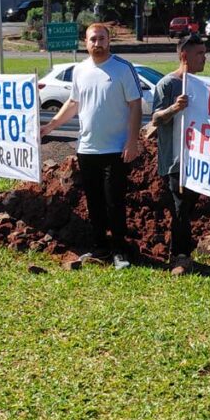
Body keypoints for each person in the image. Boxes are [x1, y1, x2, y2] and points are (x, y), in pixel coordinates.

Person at [40, 23, 142, 269]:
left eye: (102, 38)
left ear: (109, 40)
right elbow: (74, 103)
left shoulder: (122, 69)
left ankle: (119, 250)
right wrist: (50, 126)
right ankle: (100, 248)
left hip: (116, 149)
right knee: (94, 202)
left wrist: (132, 140)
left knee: (114, 202)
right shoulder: (79, 70)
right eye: (92, 39)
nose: (97, 43)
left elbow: (136, 105)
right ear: (85, 42)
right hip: (87, 149)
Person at [151, 33, 206, 273]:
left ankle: (184, 253)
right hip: (175, 159)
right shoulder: (168, 84)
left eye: (205, 53)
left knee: (187, 208)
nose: (205, 59)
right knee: (180, 207)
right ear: (184, 55)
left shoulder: (203, 86)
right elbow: (155, 118)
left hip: (198, 159)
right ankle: (179, 256)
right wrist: (175, 107)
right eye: (200, 54)